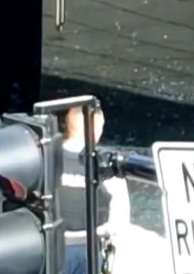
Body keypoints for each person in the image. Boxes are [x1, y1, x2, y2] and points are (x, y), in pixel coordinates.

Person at [58, 107, 129, 274]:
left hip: (51, 248)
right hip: (90, 250)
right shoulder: (107, 165)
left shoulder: (46, 159)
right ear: (97, 128)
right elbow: (120, 218)